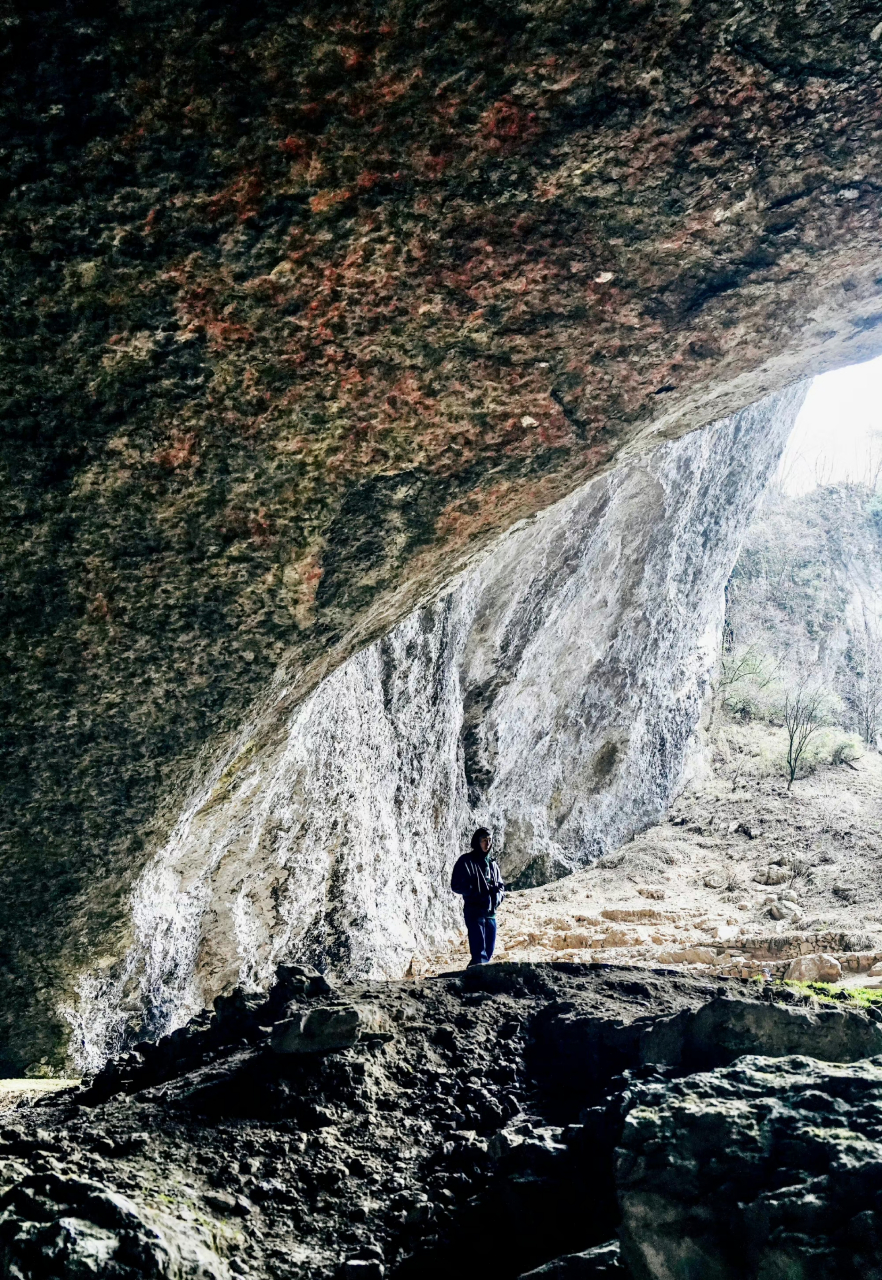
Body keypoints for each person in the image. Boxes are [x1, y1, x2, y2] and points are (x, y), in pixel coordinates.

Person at [451, 828, 505, 968]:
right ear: (477, 842)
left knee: (488, 951)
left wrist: (495, 898)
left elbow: (501, 888)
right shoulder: (466, 861)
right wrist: (475, 891)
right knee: (478, 952)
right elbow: (456, 885)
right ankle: (476, 983)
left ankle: (473, 976)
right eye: (483, 840)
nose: (487, 844)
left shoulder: (493, 864)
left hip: (490, 913)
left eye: (489, 840)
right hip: (474, 911)